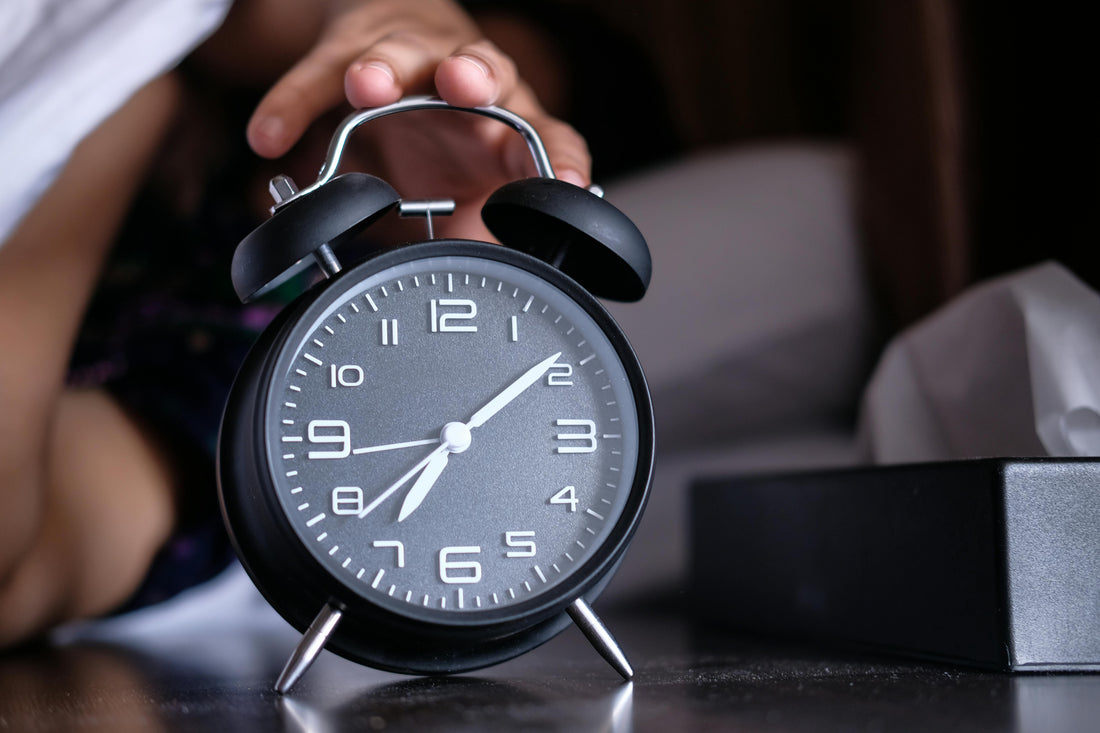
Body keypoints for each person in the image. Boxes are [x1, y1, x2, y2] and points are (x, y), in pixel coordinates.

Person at [0, 0, 592, 646]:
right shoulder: (214, 91)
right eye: (461, 102)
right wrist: (382, 18)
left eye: (506, 163)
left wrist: (108, 137)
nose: (449, 136)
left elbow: (22, 559)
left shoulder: (292, 403)